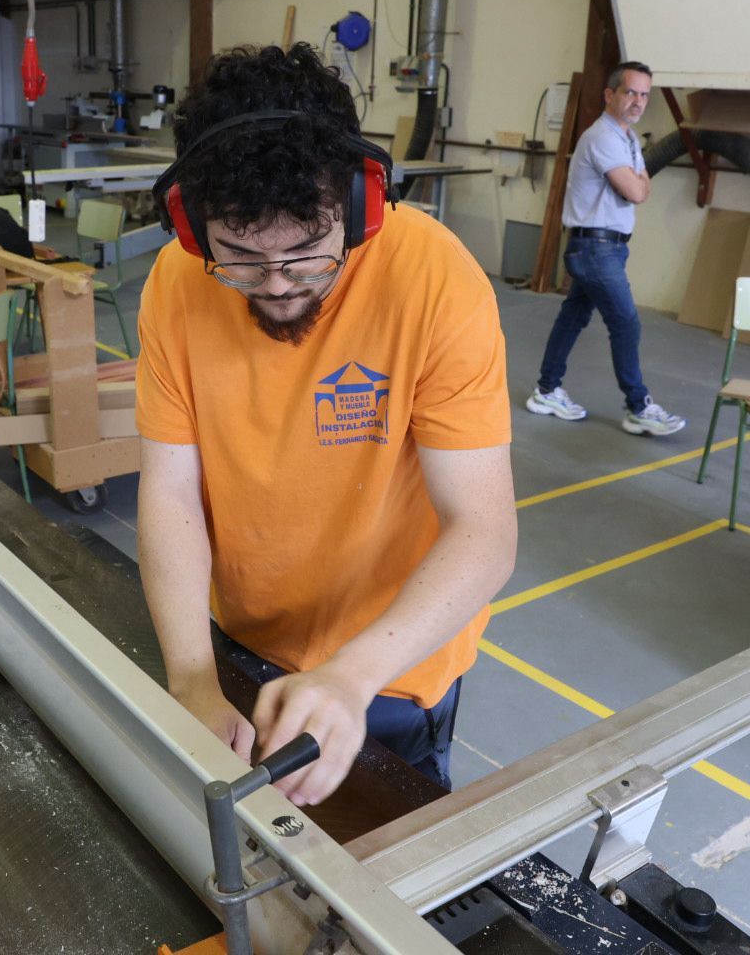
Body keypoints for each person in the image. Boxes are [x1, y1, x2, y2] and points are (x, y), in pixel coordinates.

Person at [135, 44, 517, 807]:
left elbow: (483, 529)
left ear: (358, 206)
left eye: (309, 256)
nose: (277, 287)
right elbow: (170, 491)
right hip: (240, 644)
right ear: (191, 225)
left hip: (390, 667)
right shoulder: (176, 283)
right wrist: (191, 676)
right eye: (240, 258)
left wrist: (351, 675)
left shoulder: (436, 281)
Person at [527, 60, 685, 436]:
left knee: (574, 316)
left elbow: (640, 185)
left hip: (605, 247)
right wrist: (639, 181)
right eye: (630, 92)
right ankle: (638, 406)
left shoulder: (627, 138)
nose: (638, 102)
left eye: (644, 95)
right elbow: (636, 190)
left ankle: (547, 390)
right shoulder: (602, 137)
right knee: (625, 322)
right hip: (595, 247)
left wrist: (639, 181)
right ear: (610, 94)